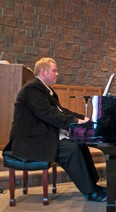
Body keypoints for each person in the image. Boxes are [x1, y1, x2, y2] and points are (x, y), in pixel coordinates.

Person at [3, 57, 107, 202]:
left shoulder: (45, 90)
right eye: (54, 70)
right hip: (29, 141)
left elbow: (61, 110)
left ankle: (92, 185)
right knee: (70, 149)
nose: (57, 74)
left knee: (80, 143)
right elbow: (48, 113)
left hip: (41, 135)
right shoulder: (32, 89)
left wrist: (82, 117)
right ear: (43, 72)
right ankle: (89, 192)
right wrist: (76, 121)